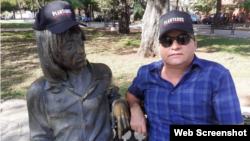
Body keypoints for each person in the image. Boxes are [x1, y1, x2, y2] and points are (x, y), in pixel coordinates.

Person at [126, 10, 243, 141]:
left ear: (195, 43)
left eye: (183, 39)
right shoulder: (146, 73)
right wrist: (135, 109)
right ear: (159, 47)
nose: (175, 46)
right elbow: (132, 95)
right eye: (167, 41)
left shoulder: (217, 76)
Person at [27, 1, 130, 141]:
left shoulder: (102, 73)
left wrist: (119, 103)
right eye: (69, 44)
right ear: (49, 49)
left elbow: (113, 95)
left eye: (79, 40)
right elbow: (40, 136)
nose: (80, 50)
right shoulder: (38, 92)